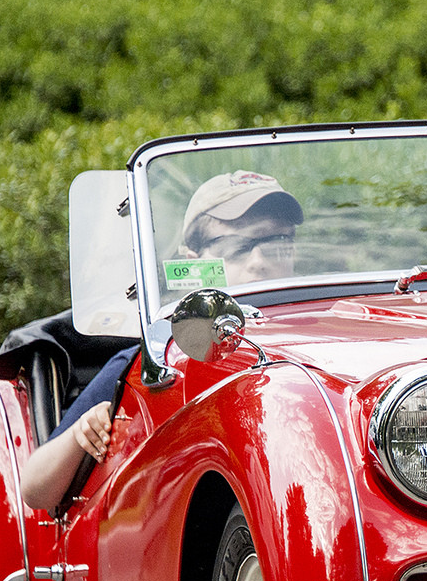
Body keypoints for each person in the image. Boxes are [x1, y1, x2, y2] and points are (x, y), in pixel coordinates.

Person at [19, 172, 303, 511]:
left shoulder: (325, 337)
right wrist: (83, 429)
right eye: (237, 247)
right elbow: (35, 490)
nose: (260, 261)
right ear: (191, 259)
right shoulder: (151, 359)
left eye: (276, 242)